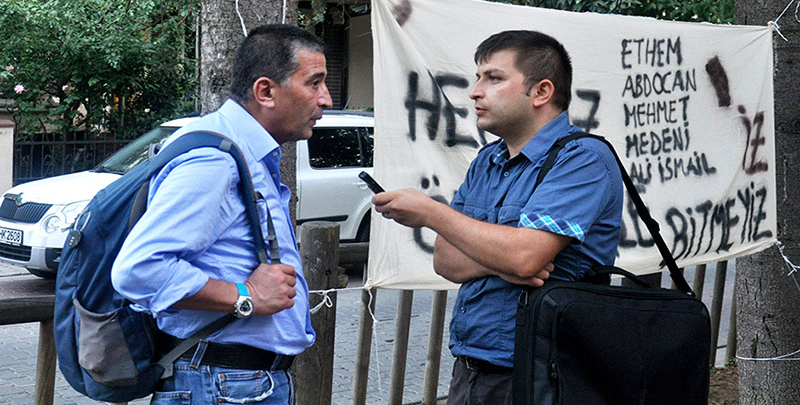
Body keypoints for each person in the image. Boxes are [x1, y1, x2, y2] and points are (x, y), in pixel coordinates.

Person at [373, 30, 623, 405]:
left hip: (546, 377)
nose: (475, 91)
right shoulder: (488, 161)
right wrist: (503, 261)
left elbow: (525, 258)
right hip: (472, 370)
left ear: (541, 92)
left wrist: (431, 212)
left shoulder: (583, 158)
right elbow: (446, 260)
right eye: (477, 77)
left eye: (493, 78)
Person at [111, 24, 332, 404]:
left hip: (230, 383)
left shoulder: (238, 149)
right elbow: (139, 269)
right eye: (314, 83)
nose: (326, 98)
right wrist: (244, 295)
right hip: (221, 384)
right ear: (265, 91)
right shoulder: (215, 161)